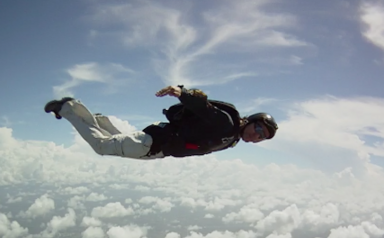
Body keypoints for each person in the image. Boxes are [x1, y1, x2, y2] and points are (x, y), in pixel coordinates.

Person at [44, 85, 278, 160]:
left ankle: (97, 119)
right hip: (153, 143)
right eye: (258, 128)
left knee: (115, 140)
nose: (256, 135)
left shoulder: (232, 137)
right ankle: (66, 108)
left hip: (157, 145)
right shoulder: (227, 124)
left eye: (262, 137)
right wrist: (181, 92)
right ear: (251, 121)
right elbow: (204, 108)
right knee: (102, 147)